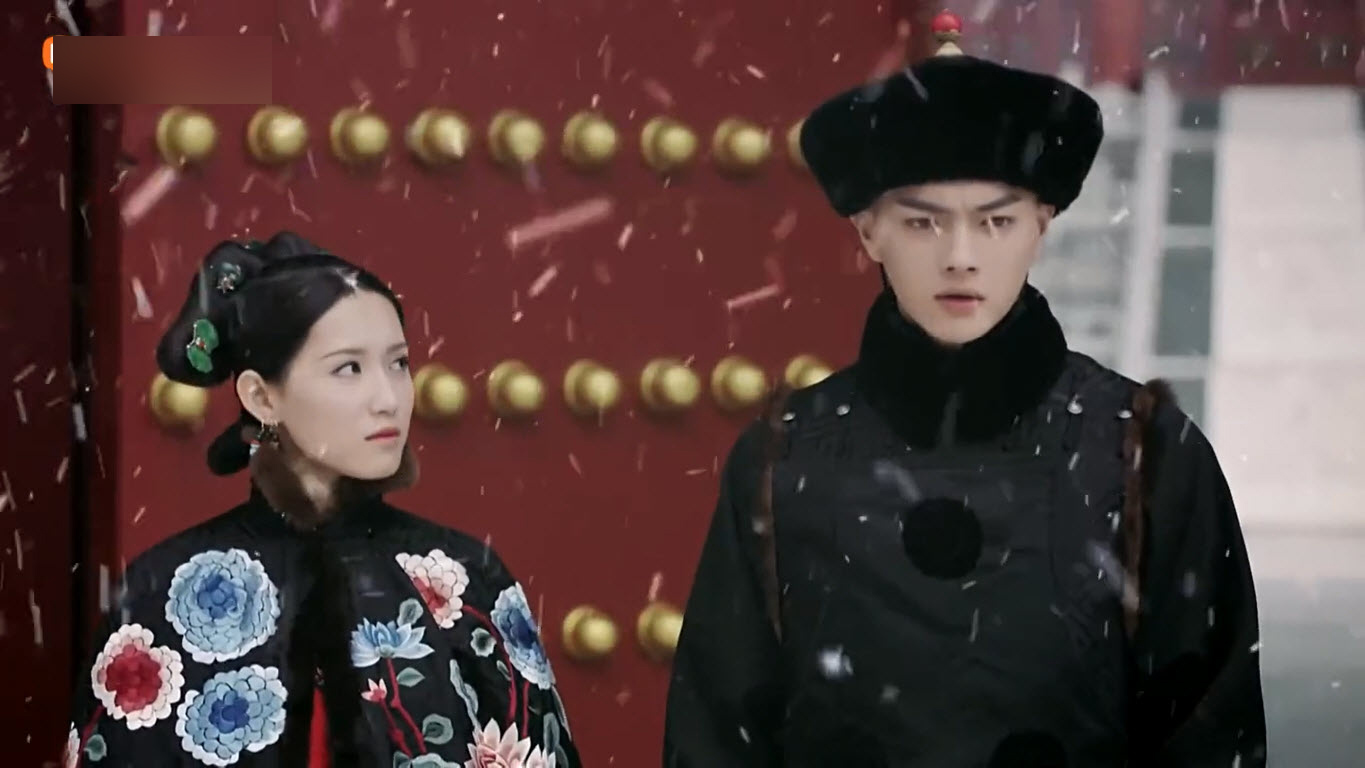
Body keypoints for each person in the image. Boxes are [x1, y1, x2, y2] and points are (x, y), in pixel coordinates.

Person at [663, 13, 1266, 768]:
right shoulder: (782, 461)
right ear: (868, 231)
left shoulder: (1146, 453)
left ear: (1041, 225)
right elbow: (718, 736)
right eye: (923, 224)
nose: (960, 257)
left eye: (995, 222)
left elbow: (1210, 734)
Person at [63, 232, 579, 768]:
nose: (388, 398)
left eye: (398, 364)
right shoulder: (167, 592)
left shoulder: (464, 581)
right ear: (261, 396)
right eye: (348, 368)